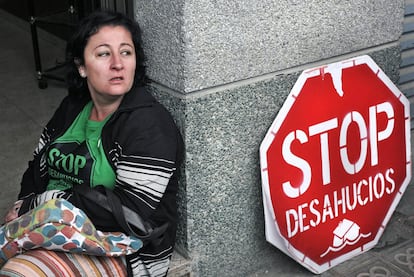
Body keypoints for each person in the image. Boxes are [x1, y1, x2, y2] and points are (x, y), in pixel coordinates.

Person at [1, 10, 183, 277]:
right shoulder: (72, 107)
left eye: (126, 52)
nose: (118, 63)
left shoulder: (149, 125)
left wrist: (39, 204)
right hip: (52, 230)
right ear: (81, 66)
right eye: (103, 54)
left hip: (121, 248)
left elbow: (128, 211)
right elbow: (36, 167)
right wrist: (27, 205)